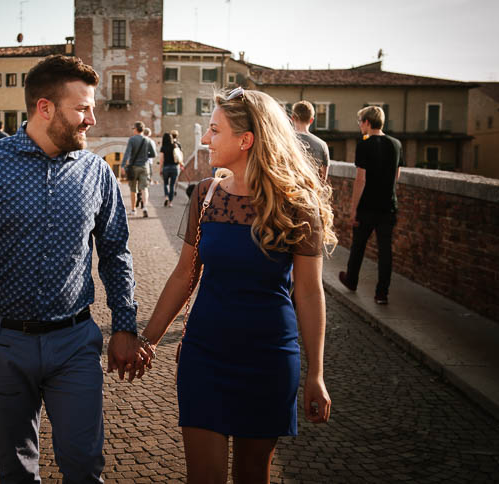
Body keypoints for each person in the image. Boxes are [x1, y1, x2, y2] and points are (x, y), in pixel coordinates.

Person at [0, 55, 147, 483]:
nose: (92, 119)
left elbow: (116, 251)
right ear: (45, 108)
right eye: (82, 109)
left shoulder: (98, 172)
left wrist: (125, 325)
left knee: (84, 467)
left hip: (75, 341)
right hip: (2, 343)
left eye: (92, 108)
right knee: (16, 472)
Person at [138, 88, 335, 484]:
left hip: (269, 358)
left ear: (245, 140)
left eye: (215, 130)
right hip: (204, 354)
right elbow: (184, 275)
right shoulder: (206, 196)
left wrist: (316, 373)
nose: (207, 139)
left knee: (251, 475)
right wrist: (149, 339)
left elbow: (309, 292)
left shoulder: (298, 205)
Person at [338, 105, 403, 305]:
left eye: (360, 122)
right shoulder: (396, 144)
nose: (359, 126)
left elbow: (360, 180)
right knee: (385, 250)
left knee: (358, 245)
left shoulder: (364, 144)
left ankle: (351, 280)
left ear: (367, 122)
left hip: (367, 206)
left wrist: (353, 209)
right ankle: (381, 293)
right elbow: (396, 175)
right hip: (388, 205)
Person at [121, 121, 156, 217]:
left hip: (133, 167)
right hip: (144, 167)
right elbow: (153, 154)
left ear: (136, 129)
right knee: (144, 188)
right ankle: (145, 207)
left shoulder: (132, 140)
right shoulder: (147, 140)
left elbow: (127, 153)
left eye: (133, 128)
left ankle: (133, 210)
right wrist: (145, 156)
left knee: (133, 189)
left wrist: (123, 165)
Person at [291, 100, 330, 181]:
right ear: (311, 120)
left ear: (293, 118)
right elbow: (323, 179)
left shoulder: (283, 141)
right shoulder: (322, 145)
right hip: (313, 191)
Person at [159, 131, 182, 207]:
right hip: (174, 167)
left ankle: (166, 197)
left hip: (166, 167)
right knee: (172, 185)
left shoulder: (163, 147)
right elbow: (179, 156)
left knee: (165, 183)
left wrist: (160, 169)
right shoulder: (175, 146)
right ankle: (170, 202)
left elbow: (161, 160)